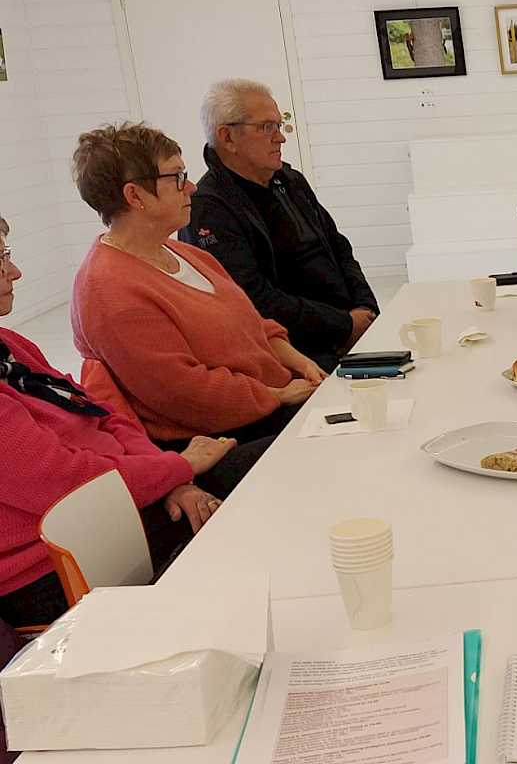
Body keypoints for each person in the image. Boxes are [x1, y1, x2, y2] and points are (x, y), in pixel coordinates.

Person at [0, 214, 229, 628]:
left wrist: (173, 479)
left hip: (114, 505)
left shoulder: (9, 346)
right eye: (0, 261)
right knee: (241, 503)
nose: (14, 272)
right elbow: (65, 482)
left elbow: (101, 415)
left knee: (251, 476)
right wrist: (177, 467)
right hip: (56, 564)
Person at [69, 122, 323, 494]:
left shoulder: (181, 252)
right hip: (217, 439)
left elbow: (255, 324)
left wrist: (300, 363)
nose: (190, 187)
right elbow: (187, 394)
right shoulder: (109, 289)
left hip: (266, 404)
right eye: (177, 177)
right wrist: (279, 395)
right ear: (135, 196)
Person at [179, 79, 379, 372]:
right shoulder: (208, 209)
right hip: (294, 355)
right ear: (228, 137)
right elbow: (253, 300)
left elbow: (338, 246)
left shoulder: (290, 180)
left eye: (279, 124)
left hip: (347, 329)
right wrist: (344, 326)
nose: (280, 138)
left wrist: (366, 309)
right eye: (266, 127)